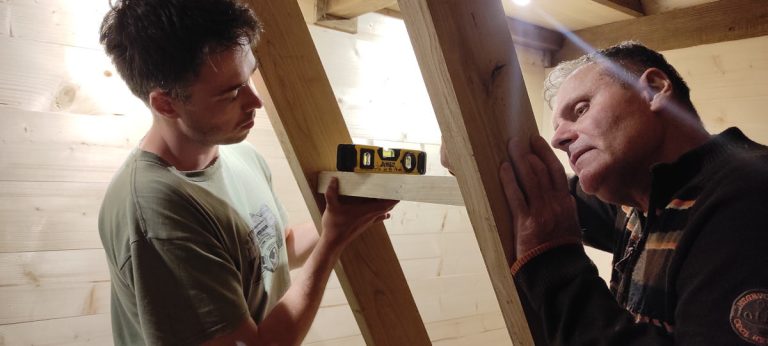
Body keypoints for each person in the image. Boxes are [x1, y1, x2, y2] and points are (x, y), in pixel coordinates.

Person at [97, 0, 397, 345]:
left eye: (250, 76)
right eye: (231, 92)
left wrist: (340, 218)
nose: (256, 101)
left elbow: (275, 248)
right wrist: (331, 243)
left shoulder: (241, 154)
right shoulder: (156, 211)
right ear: (166, 103)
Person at [445, 41, 768, 344]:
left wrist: (553, 262)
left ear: (654, 89)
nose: (558, 139)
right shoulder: (641, 199)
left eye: (581, 109)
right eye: (556, 127)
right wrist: (472, 156)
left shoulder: (749, 193)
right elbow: (535, 194)